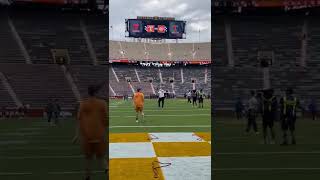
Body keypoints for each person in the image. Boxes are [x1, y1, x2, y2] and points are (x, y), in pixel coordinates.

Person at [73, 85, 108, 180]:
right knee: (101, 156)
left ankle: (87, 176)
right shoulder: (102, 103)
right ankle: (106, 168)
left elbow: (79, 120)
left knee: (88, 159)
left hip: (87, 135)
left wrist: (76, 135)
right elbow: (106, 120)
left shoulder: (83, 104)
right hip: (99, 134)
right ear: (96, 93)